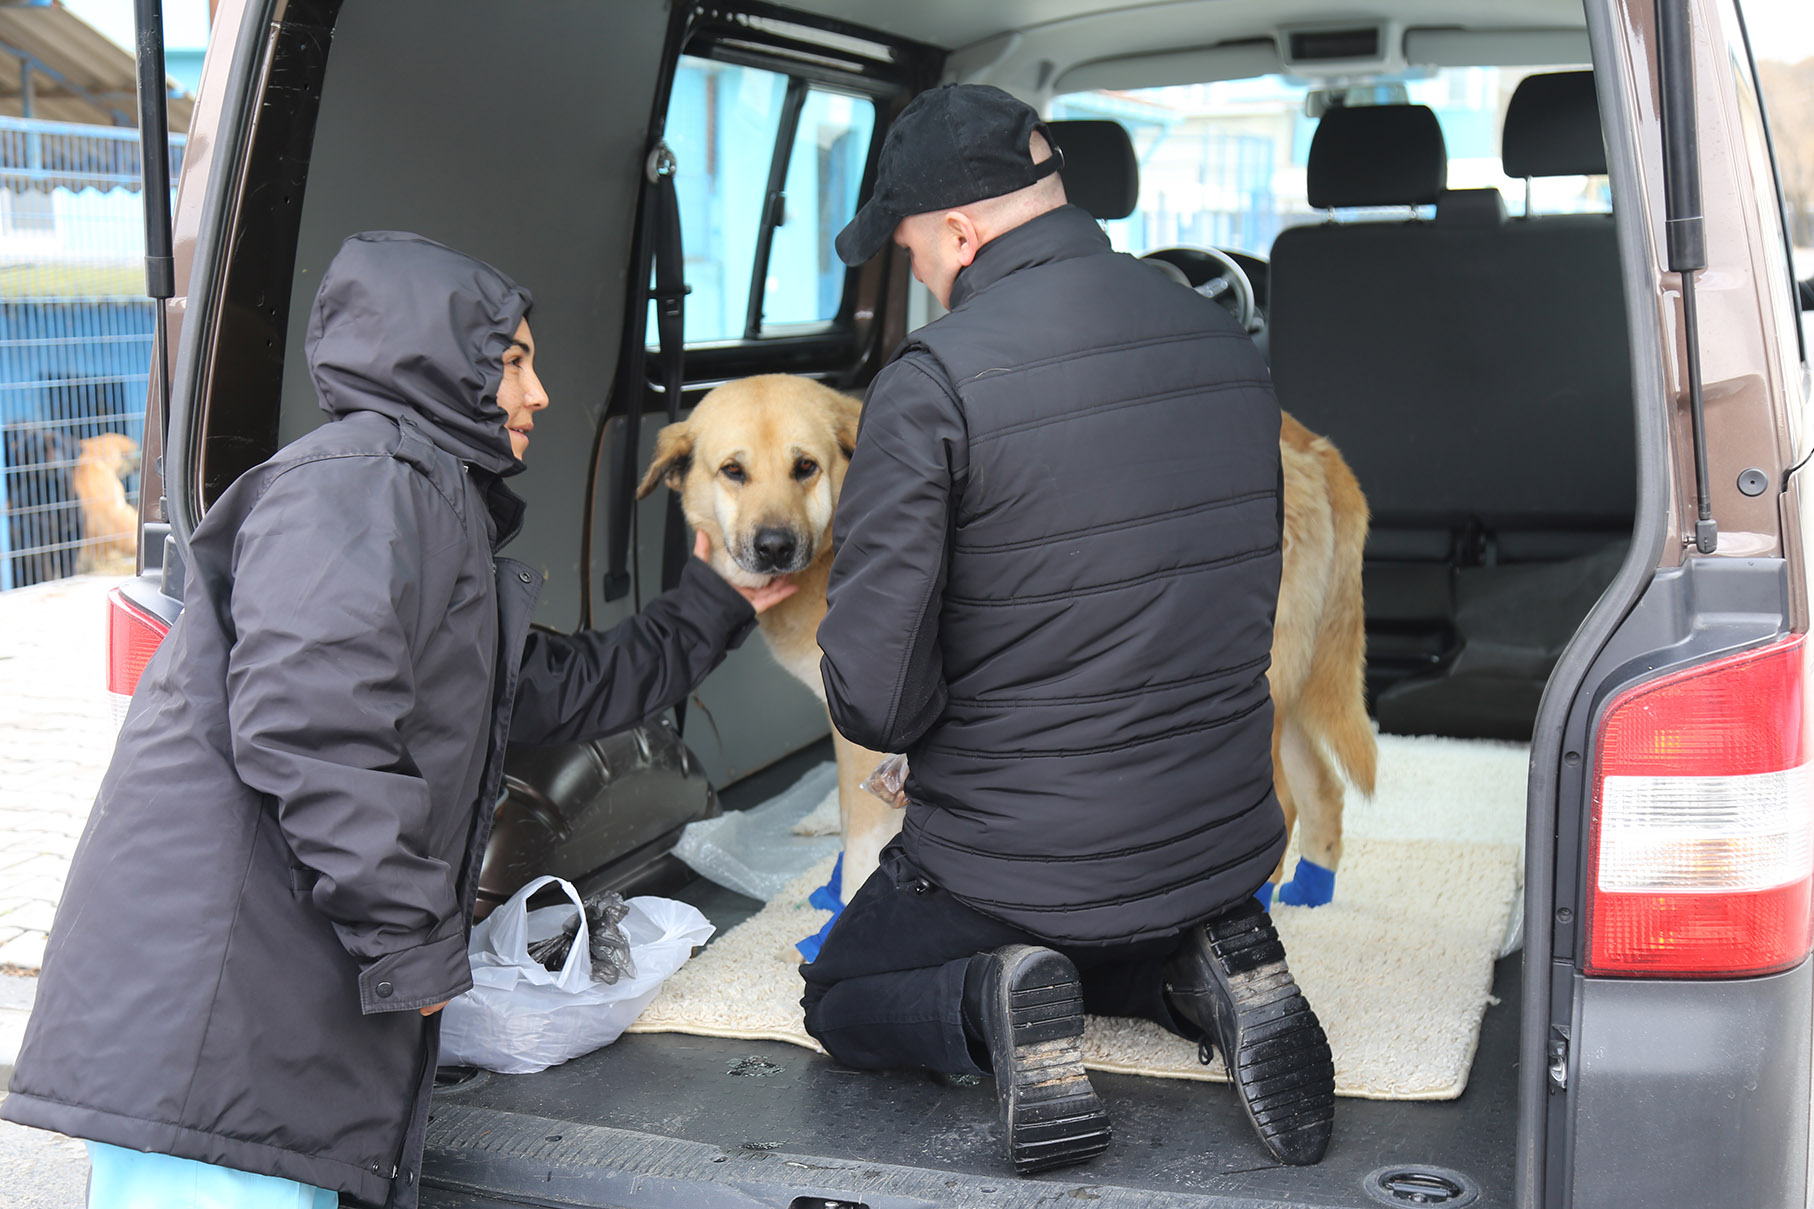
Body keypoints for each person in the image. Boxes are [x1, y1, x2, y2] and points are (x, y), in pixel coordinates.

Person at [0, 231, 793, 1208]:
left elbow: (555, 687)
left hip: (256, 1014)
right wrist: (412, 941)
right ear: (436, 364)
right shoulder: (358, 487)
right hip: (213, 1022)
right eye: (512, 362)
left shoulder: (419, 504)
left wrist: (719, 599)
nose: (537, 393)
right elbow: (310, 728)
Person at [804, 85, 1335, 1174]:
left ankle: (994, 994)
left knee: (844, 992)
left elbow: (876, 699)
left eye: (905, 247)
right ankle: (1197, 965)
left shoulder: (931, 381)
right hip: (1222, 839)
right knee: (1101, 909)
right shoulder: (1222, 341)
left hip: (1015, 863)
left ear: (956, 230)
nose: (913, 273)